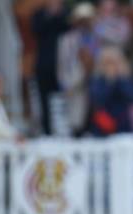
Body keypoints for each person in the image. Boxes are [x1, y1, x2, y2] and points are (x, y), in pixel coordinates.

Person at [57, 2, 99, 137]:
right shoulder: (67, 40)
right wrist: (69, 82)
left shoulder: (97, 38)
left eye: (87, 20)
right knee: (77, 124)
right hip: (75, 86)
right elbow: (63, 65)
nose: (85, 23)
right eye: (82, 20)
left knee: (96, 123)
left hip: (95, 86)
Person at [31, 0, 70, 135]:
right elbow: (37, 29)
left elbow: (67, 28)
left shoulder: (65, 13)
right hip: (44, 65)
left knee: (66, 98)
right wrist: (50, 14)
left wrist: (58, 14)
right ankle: (47, 131)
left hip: (63, 64)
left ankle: (67, 130)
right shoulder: (39, 14)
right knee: (44, 101)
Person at [89, 47, 133, 136]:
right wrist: (110, 82)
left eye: (114, 63)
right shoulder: (97, 80)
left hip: (123, 124)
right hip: (103, 125)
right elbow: (98, 101)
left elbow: (132, 97)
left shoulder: (125, 79)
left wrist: (119, 79)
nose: (111, 66)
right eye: (108, 63)